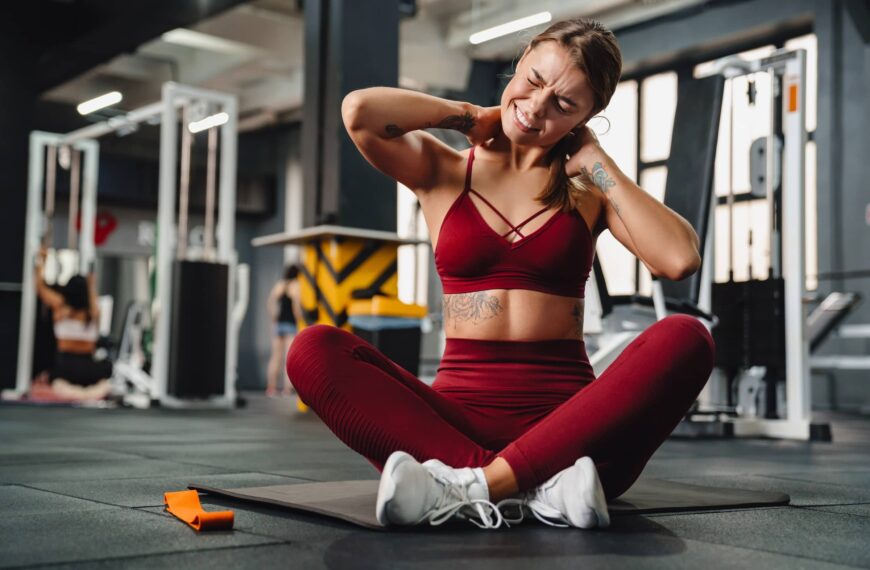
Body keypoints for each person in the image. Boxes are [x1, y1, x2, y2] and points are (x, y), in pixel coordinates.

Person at [285, 18, 715, 530]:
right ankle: (535, 488)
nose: (536, 109)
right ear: (523, 57)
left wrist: (599, 164)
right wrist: (467, 116)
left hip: (572, 432)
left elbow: (679, 258)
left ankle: (465, 488)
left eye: (564, 105)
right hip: (459, 426)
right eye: (534, 81)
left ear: (589, 116)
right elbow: (361, 112)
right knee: (312, 349)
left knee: (689, 336)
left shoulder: (589, 193)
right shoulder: (443, 172)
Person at [34, 247, 113, 401]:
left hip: (66, 367)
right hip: (88, 368)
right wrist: (91, 285)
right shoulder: (93, 311)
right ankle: (86, 393)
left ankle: (77, 393)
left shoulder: (60, 307)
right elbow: (91, 298)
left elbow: (40, 287)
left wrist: (41, 262)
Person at [266, 264, 303, 397]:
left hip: (279, 323)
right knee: (288, 357)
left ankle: (271, 388)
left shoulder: (280, 284)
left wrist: (274, 316)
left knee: (275, 357)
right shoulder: (295, 285)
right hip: (290, 324)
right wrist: (300, 320)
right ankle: (287, 389)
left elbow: (270, 301)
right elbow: (296, 306)